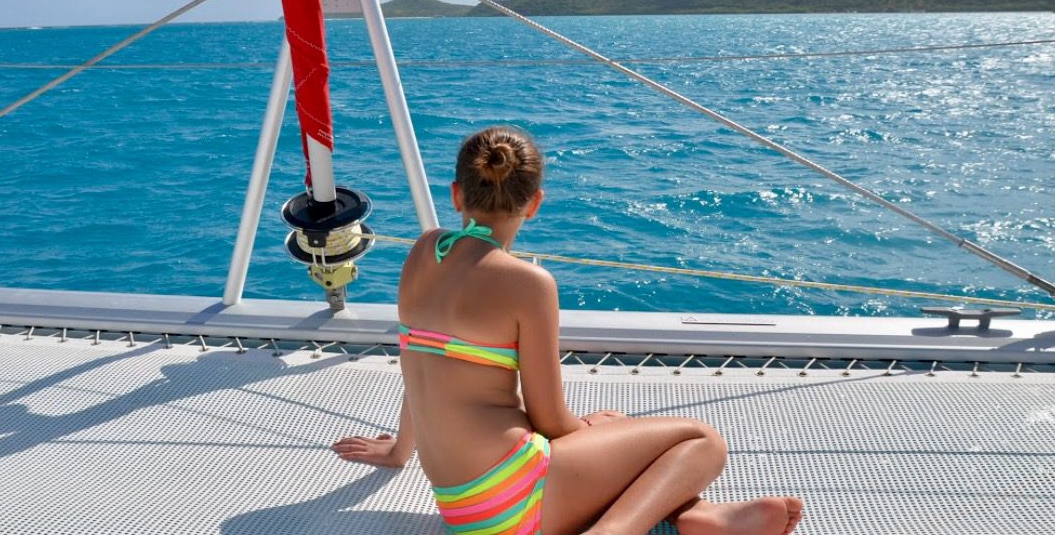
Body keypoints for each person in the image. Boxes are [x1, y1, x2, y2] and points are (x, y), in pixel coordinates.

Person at [332, 126, 803, 535]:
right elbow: (550, 420)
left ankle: (698, 517)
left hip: (464, 510)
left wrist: (400, 450)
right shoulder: (527, 282)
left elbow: (421, 364)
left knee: (618, 433)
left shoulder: (423, 252)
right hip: (519, 497)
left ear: (457, 194)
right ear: (534, 203)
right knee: (701, 441)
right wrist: (589, 429)